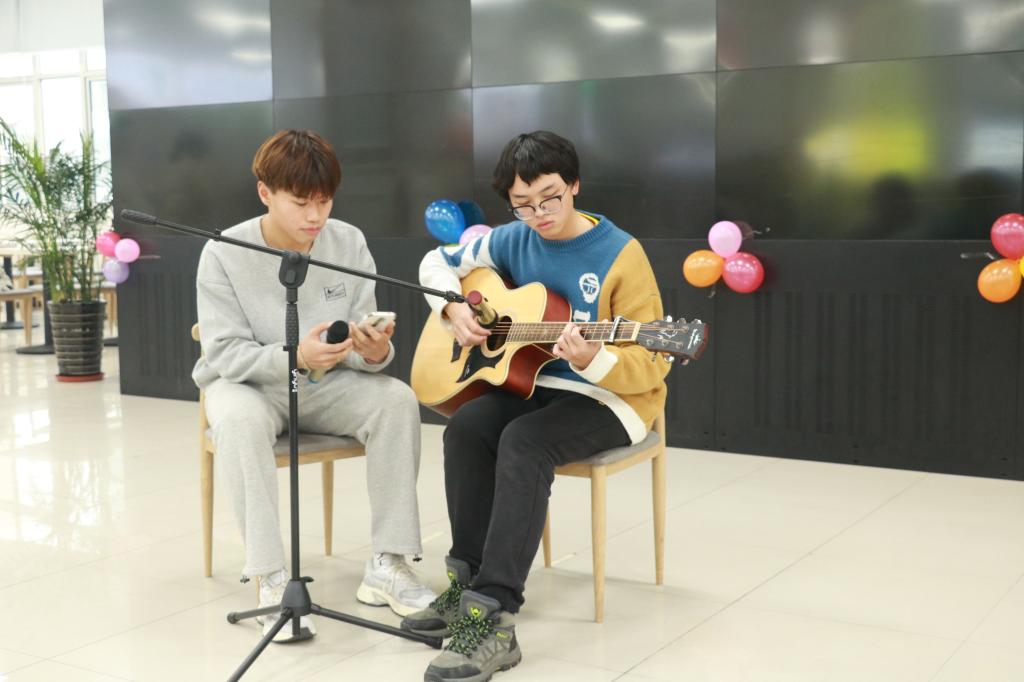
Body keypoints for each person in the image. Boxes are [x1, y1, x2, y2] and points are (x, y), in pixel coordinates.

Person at [408, 130, 672, 680]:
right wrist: (453, 308)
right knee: (467, 426)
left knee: (525, 443)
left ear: (574, 185)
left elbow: (651, 362)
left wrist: (594, 359)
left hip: (613, 398)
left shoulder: (621, 253)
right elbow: (436, 261)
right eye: (522, 204)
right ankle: (465, 581)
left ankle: (493, 615)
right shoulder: (510, 240)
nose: (539, 215)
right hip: (535, 386)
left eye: (550, 198)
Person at [193, 129, 435, 642]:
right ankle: (270, 575)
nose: (315, 216)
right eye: (301, 203)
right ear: (265, 193)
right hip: (248, 385)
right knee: (238, 422)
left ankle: (388, 563)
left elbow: (364, 337)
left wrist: (375, 351)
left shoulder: (348, 241)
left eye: (324, 201)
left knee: (396, 400)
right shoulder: (223, 252)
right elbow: (224, 352)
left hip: (326, 382)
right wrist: (294, 355)